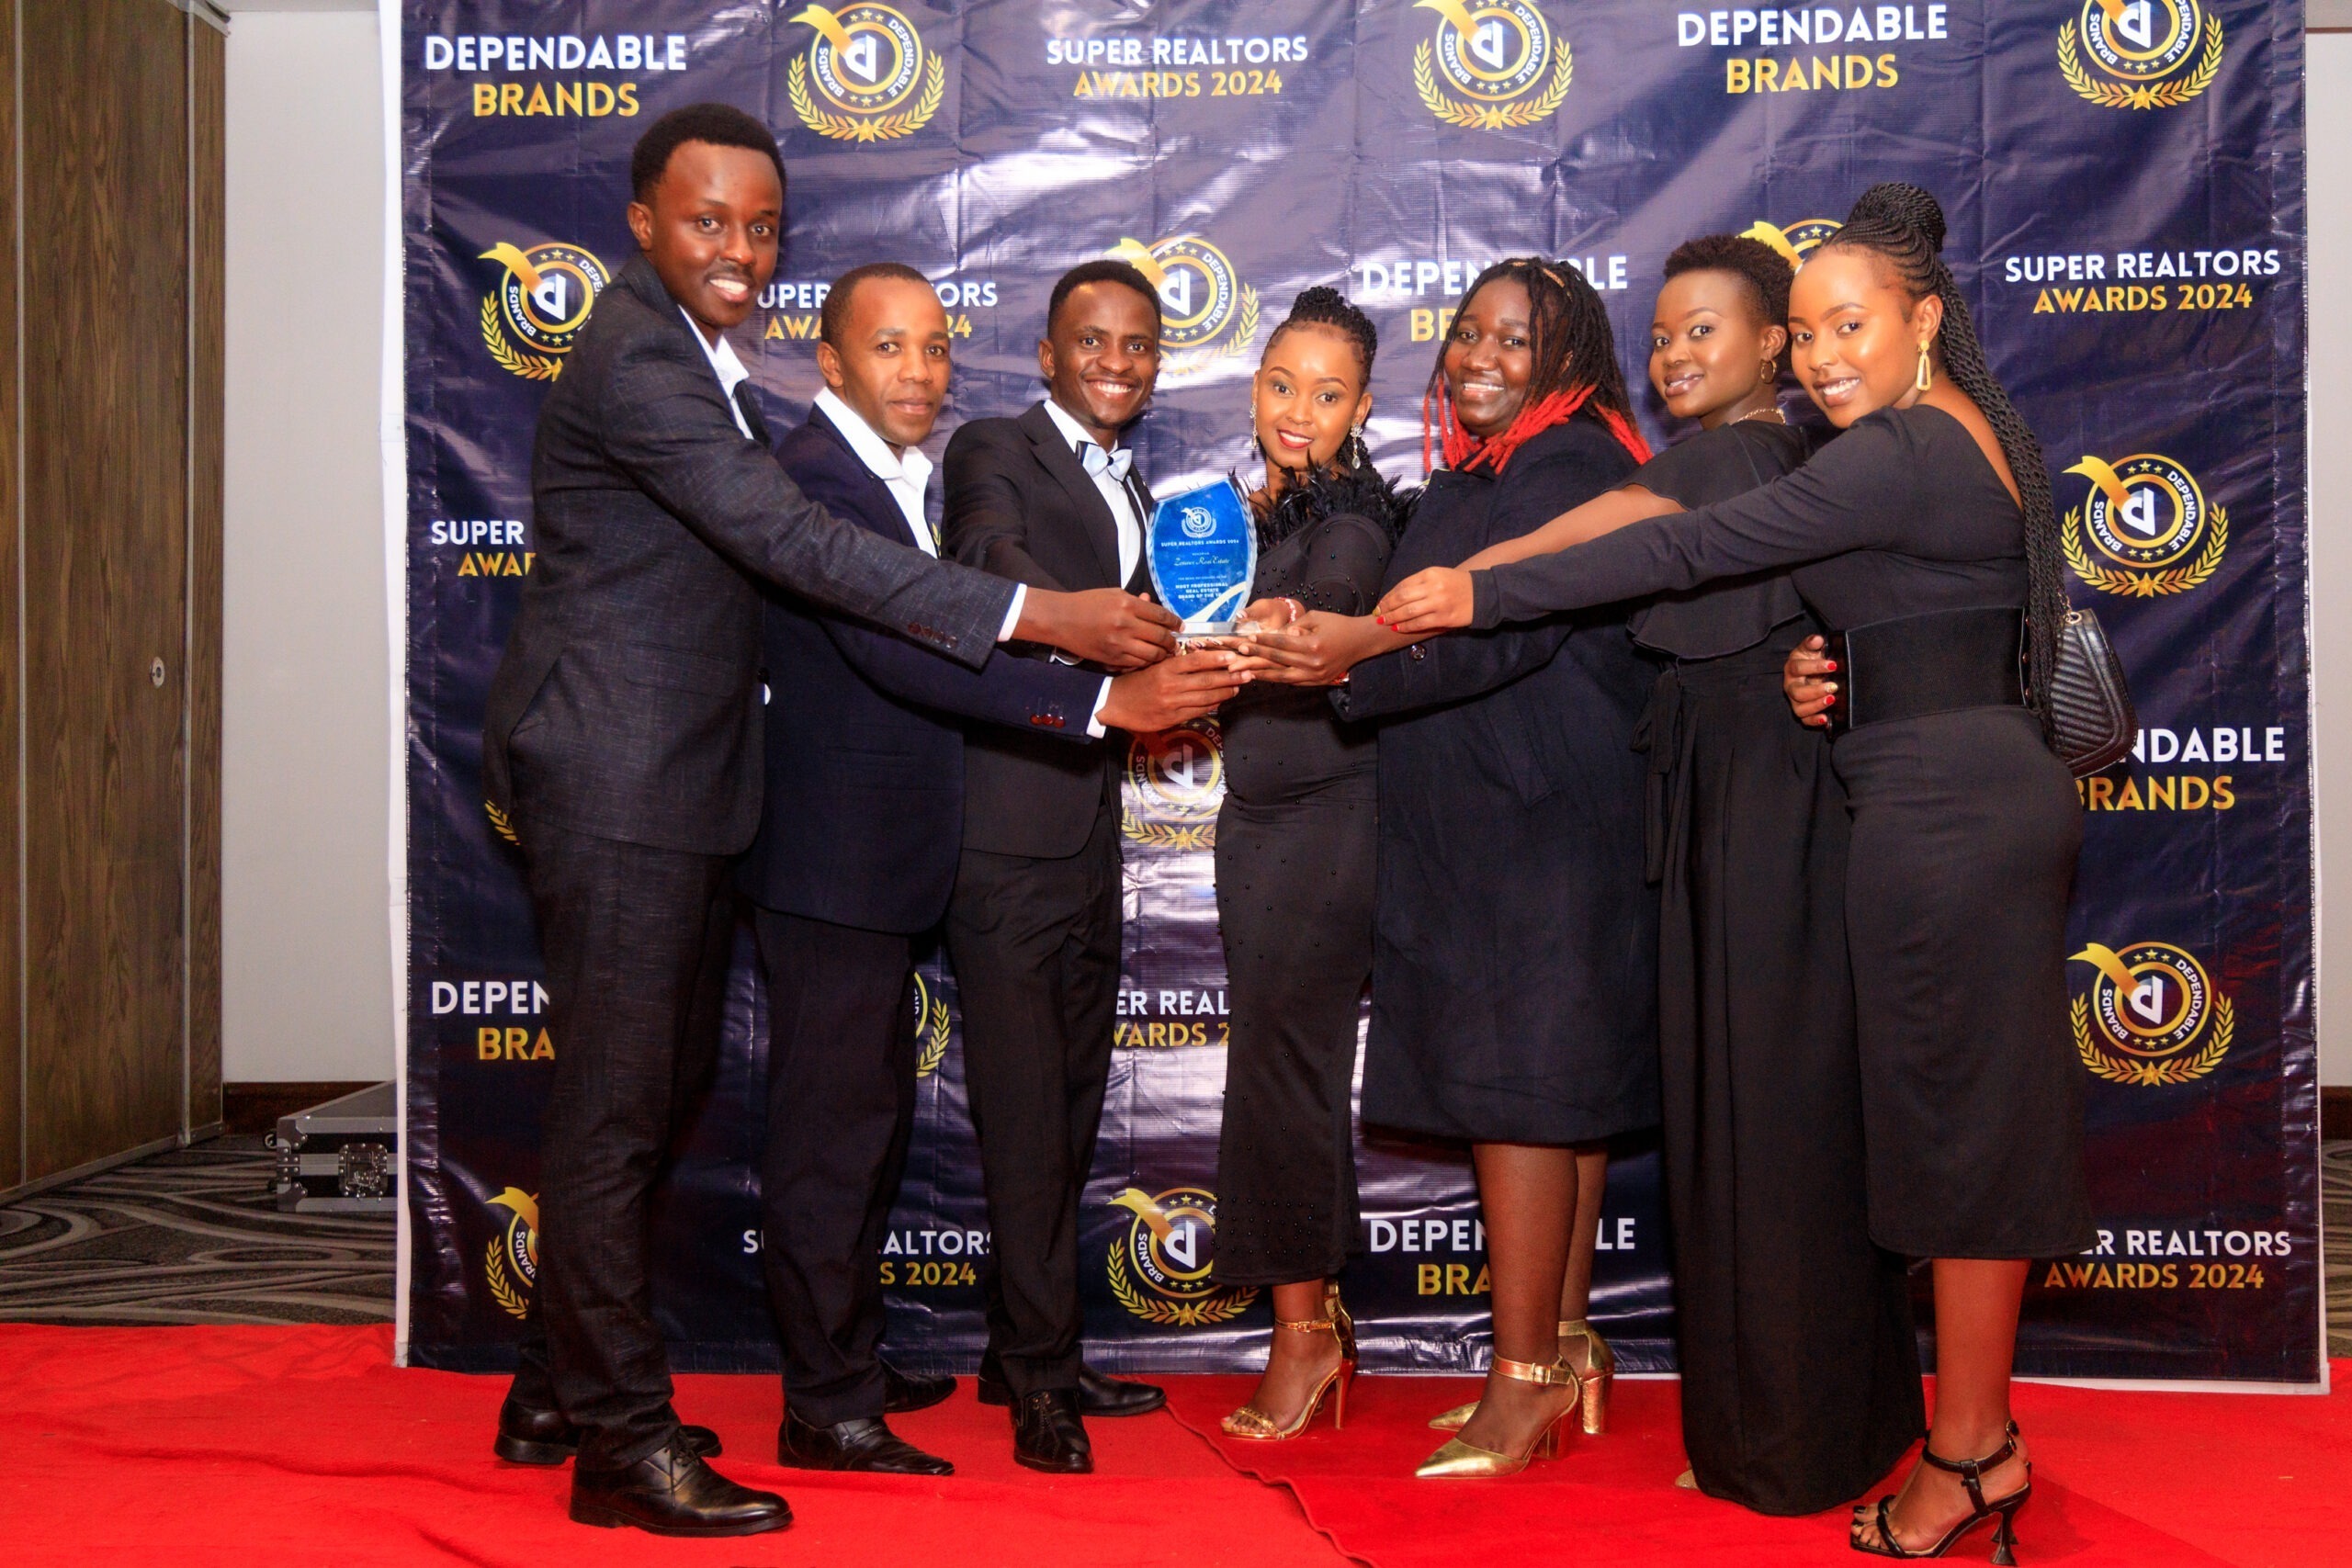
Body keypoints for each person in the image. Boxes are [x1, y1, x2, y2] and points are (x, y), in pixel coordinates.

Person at [477, 105, 1178, 1538]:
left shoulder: (703, 367)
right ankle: (621, 1441)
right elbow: (797, 546)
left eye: (761, 225)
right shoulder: (639, 357)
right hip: (619, 770)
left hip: (681, 783)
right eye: (707, 220)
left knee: (650, 1097)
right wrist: (1044, 616)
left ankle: (554, 1386)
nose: (738, 247)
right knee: (620, 1111)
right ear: (642, 223)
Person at [1378, 184, 2089, 1560]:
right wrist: (1840, 669)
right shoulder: (1937, 437)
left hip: (1948, 822)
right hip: (1939, 798)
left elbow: (1691, 543)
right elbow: (1922, 613)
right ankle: (1970, 1438)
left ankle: (1970, 1455)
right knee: (1947, 1138)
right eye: (1809, 331)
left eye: (1847, 325)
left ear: (1922, 319)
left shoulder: (1900, 447)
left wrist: (1480, 588)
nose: (1822, 356)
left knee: (1960, 1149)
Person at [1432, 236, 1923, 1514]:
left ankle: (1789, 1441)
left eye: (1705, 329)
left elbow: (1584, 539)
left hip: (1765, 805)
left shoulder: (1738, 456)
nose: (1674, 353)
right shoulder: (1758, 460)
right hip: (1727, 793)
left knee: (1768, 1120)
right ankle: (1808, 1420)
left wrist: (1432, 597)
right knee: (1761, 1117)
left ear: (1773, 346)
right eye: (1661, 336)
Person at [738, 264, 1246, 1478]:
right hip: (906, 846)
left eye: (932, 348)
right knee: (901, 1128)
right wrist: (1100, 684)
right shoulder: (943, 463)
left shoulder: (926, 474)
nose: (920, 371)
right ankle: (922, 1387)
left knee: (1034, 1112)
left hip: (1037, 834)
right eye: (891, 348)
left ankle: (999, 1355)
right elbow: (950, 613)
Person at [1242, 259, 1660, 1479]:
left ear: (1566, 357)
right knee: (1558, 1097)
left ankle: (1523, 1379)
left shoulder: (1566, 462)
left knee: (1523, 1096)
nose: (1478, 355)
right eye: (1468, 332)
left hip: (1535, 829)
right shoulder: (1495, 467)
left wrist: (1345, 658)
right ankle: (1565, 1347)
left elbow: (1497, 628)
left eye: (1513, 339)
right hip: (1514, 822)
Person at [939, 260, 1190, 1474]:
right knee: (1027, 1113)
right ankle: (1041, 1380)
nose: (1115, 361)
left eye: (1137, 344)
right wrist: (1097, 635)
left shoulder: (1129, 483)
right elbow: (985, 565)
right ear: (1047, 355)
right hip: (1000, 842)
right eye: (1092, 340)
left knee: (1071, 1104)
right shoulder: (994, 447)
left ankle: (1024, 1343)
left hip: (1087, 836)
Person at [1208, 288, 1407, 1441]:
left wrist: (1282, 625)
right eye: (1282, 385)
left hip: (1325, 823)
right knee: (1283, 1067)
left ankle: (1302, 1337)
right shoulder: (1257, 514)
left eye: (1328, 395)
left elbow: (1326, 605)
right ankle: (1315, 1315)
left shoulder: (1352, 521)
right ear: (1255, 387)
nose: (1298, 410)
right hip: (1263, 819)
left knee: (1281, 1074)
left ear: (1361, 409)